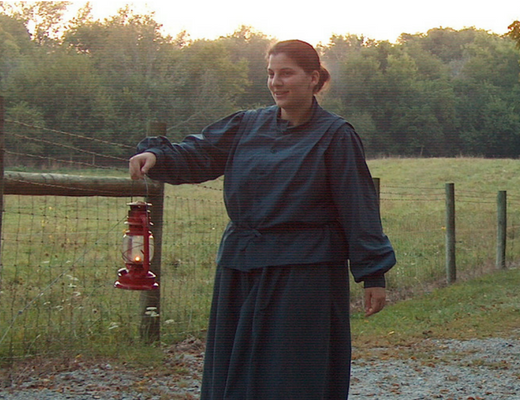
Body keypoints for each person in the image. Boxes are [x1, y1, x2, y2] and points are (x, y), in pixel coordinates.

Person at [128, 39, 395, 400]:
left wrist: (373, 273)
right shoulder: (247, 124)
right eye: (271, 74)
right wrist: (159, 157)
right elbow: (200, 153)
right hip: (241, 265)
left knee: (291, 375)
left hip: (304, 272)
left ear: (313, 78)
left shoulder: (335, 135)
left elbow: (358, 206)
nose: (276, 82)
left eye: (286, 73)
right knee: (234, 370)